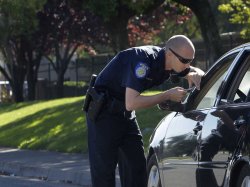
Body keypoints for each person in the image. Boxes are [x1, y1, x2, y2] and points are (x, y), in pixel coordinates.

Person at [84, 35, 205, 187]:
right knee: (104, 176)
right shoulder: (143, 62)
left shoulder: (171, 62)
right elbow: (131, 102)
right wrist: (167, 95)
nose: (188, 65)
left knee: (137, 170)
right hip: (104, 115)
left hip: (125, 116)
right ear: (169, 54)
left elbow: (195, 71)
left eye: (191, 60)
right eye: (185, 61)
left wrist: (195, 73)